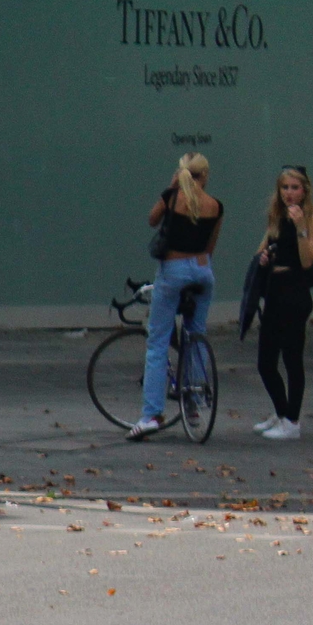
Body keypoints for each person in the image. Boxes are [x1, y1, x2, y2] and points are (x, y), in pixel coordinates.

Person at [134, 153, 223, 442]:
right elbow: (210, 247)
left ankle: (151, 415)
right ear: (205, 175)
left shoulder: (172, 197)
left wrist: (172, 187)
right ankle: (193, 405)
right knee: (195, 334)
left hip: (173, 270)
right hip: (203, 270)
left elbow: (151, 220)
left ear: (180, 173)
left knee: (158, 341)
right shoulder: (216, 206)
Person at [251, 166, 313, 441]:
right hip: (275, 290)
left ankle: (292, 420)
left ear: (305, 190)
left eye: (295, 188)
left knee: (292, 357)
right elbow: (262, 249)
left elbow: (307, 260)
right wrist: (264, 257)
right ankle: (281, 412)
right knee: (265, 361)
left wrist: (301, 228)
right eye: (285, 188)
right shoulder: (277, 217)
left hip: (296, 292)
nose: (290, 194)